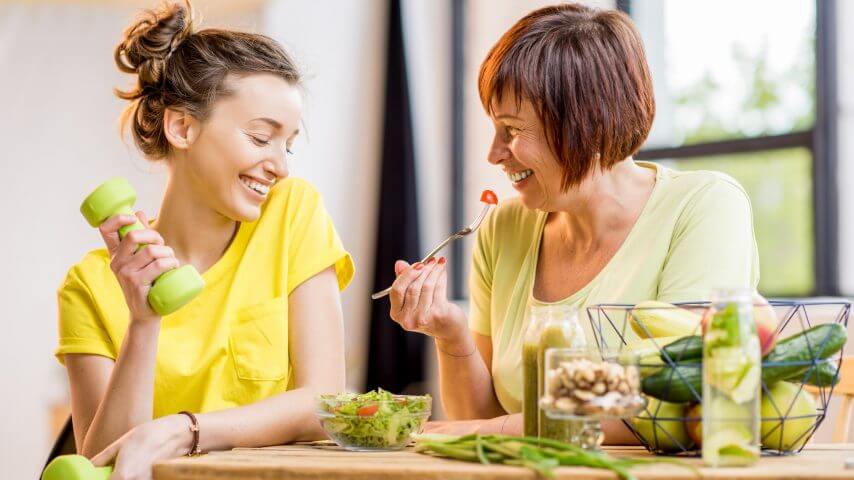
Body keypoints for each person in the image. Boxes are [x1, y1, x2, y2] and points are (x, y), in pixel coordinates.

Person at [386, 3, 759, 440]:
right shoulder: (503, 228)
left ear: (588, 123)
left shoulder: (703, 207)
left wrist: (478, 430)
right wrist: (450, 335)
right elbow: (478, 415)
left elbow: (671, 401)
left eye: (511, 130)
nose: (494, 154)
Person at [55, 1, 353, 477]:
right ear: (182, 127)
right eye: (261, 138)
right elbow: (103, 464)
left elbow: (322, 402)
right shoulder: (90, 285)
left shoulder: (293, 212)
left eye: (288, 143)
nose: (281, 164)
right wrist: (144, 322)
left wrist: (183, 429)